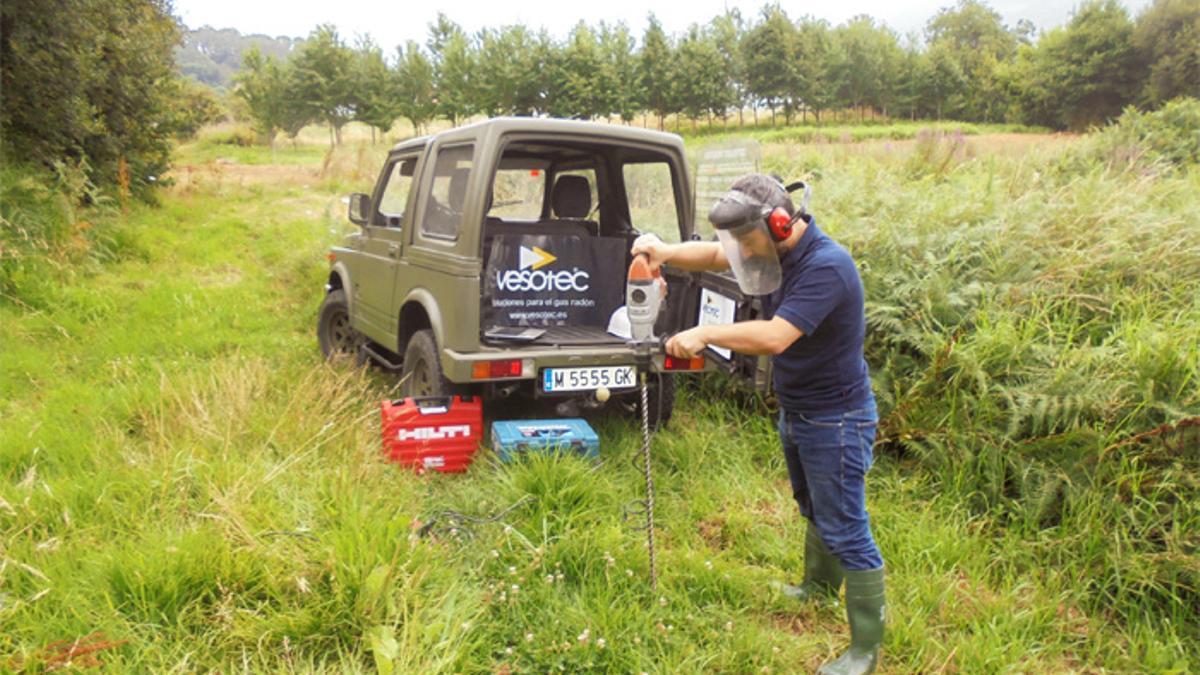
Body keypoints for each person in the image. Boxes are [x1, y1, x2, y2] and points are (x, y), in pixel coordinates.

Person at [631, 173, 884, 675]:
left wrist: (704, 332)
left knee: (847, 526)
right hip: (801, 409)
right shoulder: (771, 249)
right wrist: (662, 250)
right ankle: (815, 588)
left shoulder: (826, 268)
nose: (741, 253)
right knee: (812, 505)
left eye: (747, 241)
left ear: (779, 223)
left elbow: (774, 336)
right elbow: (712, 257)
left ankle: (864, 652)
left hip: (837, 419)